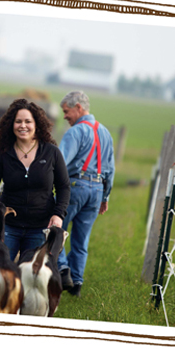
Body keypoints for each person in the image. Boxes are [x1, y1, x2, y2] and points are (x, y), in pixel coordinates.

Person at [0, 98, 71, 262]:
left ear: (36, 124)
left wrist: (58, 215)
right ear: (10, 125)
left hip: (41, 227)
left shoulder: (51, 152)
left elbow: (64, 187)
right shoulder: (3, 153)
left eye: (28, 121)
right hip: (8, 227)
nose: (23, 126)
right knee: (0, 269)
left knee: (29, 276)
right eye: (18, 121)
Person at [57, 91, 115, 297]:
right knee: (82, 239)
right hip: (97, 190)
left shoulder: (75, 132)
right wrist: (105, 197)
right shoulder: (106, 133)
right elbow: (110, 169)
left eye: (66, 111)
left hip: (75, 186)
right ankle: (77, 284)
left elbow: (60, 162)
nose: (65, 116)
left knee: (55, 227)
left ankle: (62, 270)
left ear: (79, 108)